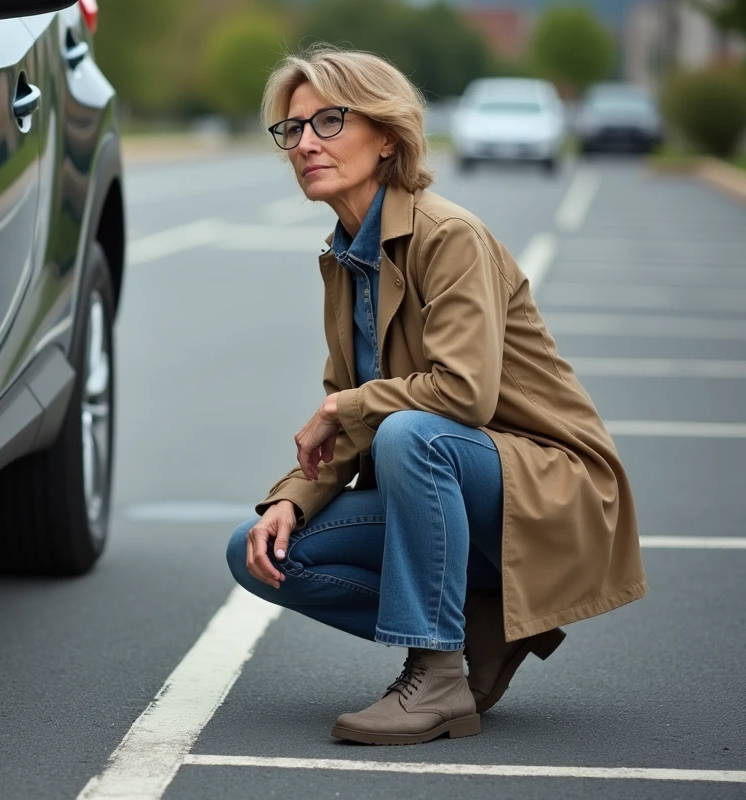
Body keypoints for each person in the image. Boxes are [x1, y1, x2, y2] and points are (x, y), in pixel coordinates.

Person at [225, 46, 647, 746]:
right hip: (459, 481)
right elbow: (351, 417)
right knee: (260, 551)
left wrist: (342, 407)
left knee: (408, 435)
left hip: (548, 484)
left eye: (328, 122)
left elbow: (462, 393)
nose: (304, 144)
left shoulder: (448, 236)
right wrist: (288, 500)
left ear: (387, 136)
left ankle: (437, 674)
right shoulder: (345, 256)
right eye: (292, 130)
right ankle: (478, 619)